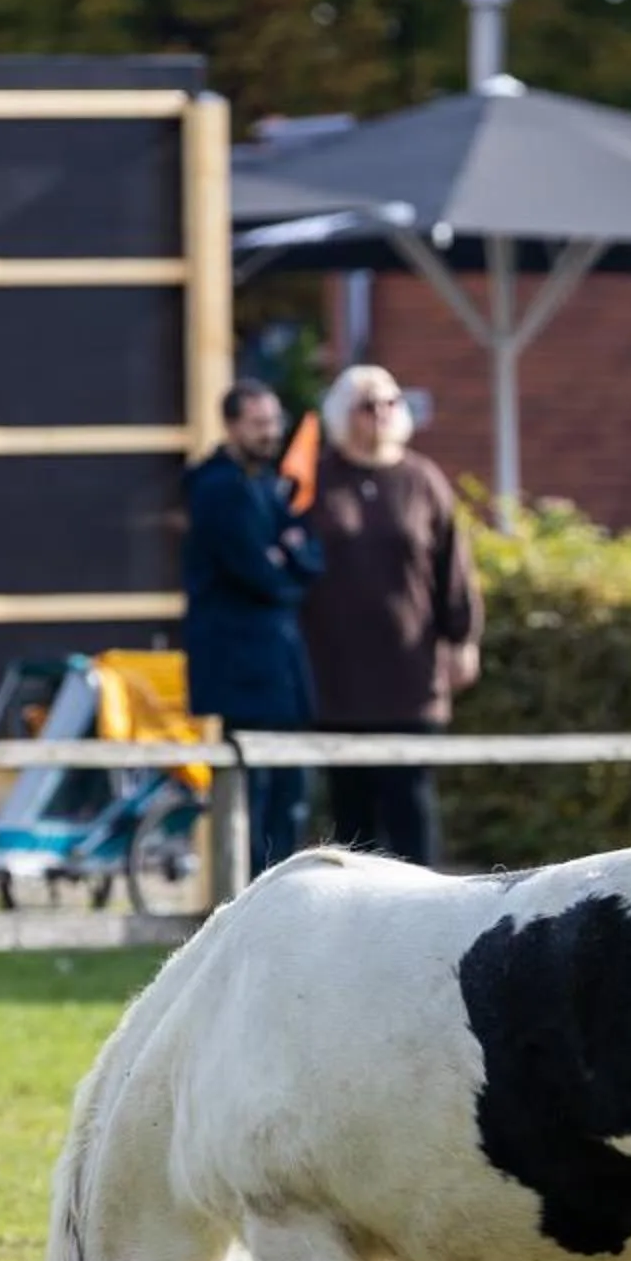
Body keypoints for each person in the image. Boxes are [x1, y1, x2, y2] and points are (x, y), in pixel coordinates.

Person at [297, 364, 482, 866]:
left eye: (389, 403)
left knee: (411, 803)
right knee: (349, 812)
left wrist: (462, 639)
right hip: (335, 673)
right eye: (366, 405)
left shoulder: (421, 479)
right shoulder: (316, 479)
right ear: (341, 415)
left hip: (409, 674)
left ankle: (425, 918)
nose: (379, 415)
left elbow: (453, 568)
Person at [181, 379, 321, 877]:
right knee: (256, 797)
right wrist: (284, 562)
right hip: (244, 671)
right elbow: (264, 576)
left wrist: (288, 558)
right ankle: (256, 894)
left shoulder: (265, 484)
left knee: (288, 795)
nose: (271, 433)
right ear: (233, 425)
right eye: (259, 424)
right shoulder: (218, 487)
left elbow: (311, 558)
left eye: (274, 422)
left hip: (278, 669)